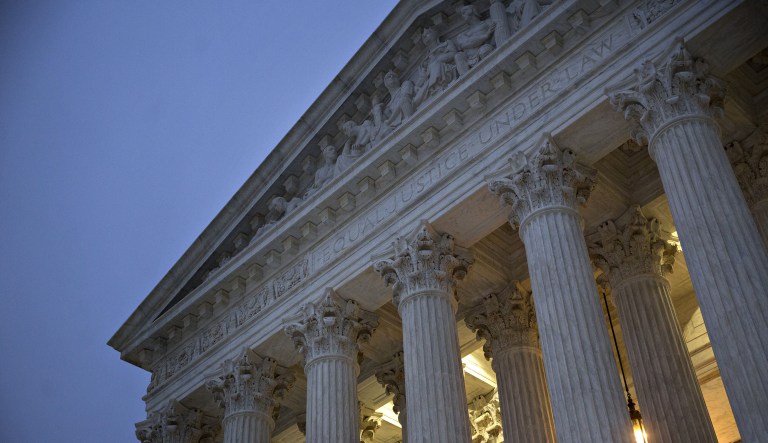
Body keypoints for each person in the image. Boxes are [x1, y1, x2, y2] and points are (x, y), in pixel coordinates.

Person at [414, 27, 458, 106]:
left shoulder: (446, 44)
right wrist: (417, 86)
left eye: (428, 33)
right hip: (430, 80)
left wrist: (439, 59)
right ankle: (433, 89)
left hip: (447, 71)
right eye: (424, 36)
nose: (425, 37)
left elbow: (454, 53)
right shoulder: (425, 60)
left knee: (435, 65)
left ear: (435, 33)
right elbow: (422, 77)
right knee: (416, 100)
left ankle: (437, 88)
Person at [454, 4, 496, 75]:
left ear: (471, 11)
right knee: (458, 56)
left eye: (464, 13)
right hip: (469, 58)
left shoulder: (487, 22)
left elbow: (495, 37)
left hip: (484, 50)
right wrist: (485, 36)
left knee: (484, 50)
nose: (462, 16)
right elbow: (466, 44)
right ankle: (466, 81)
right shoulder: (462, 35)